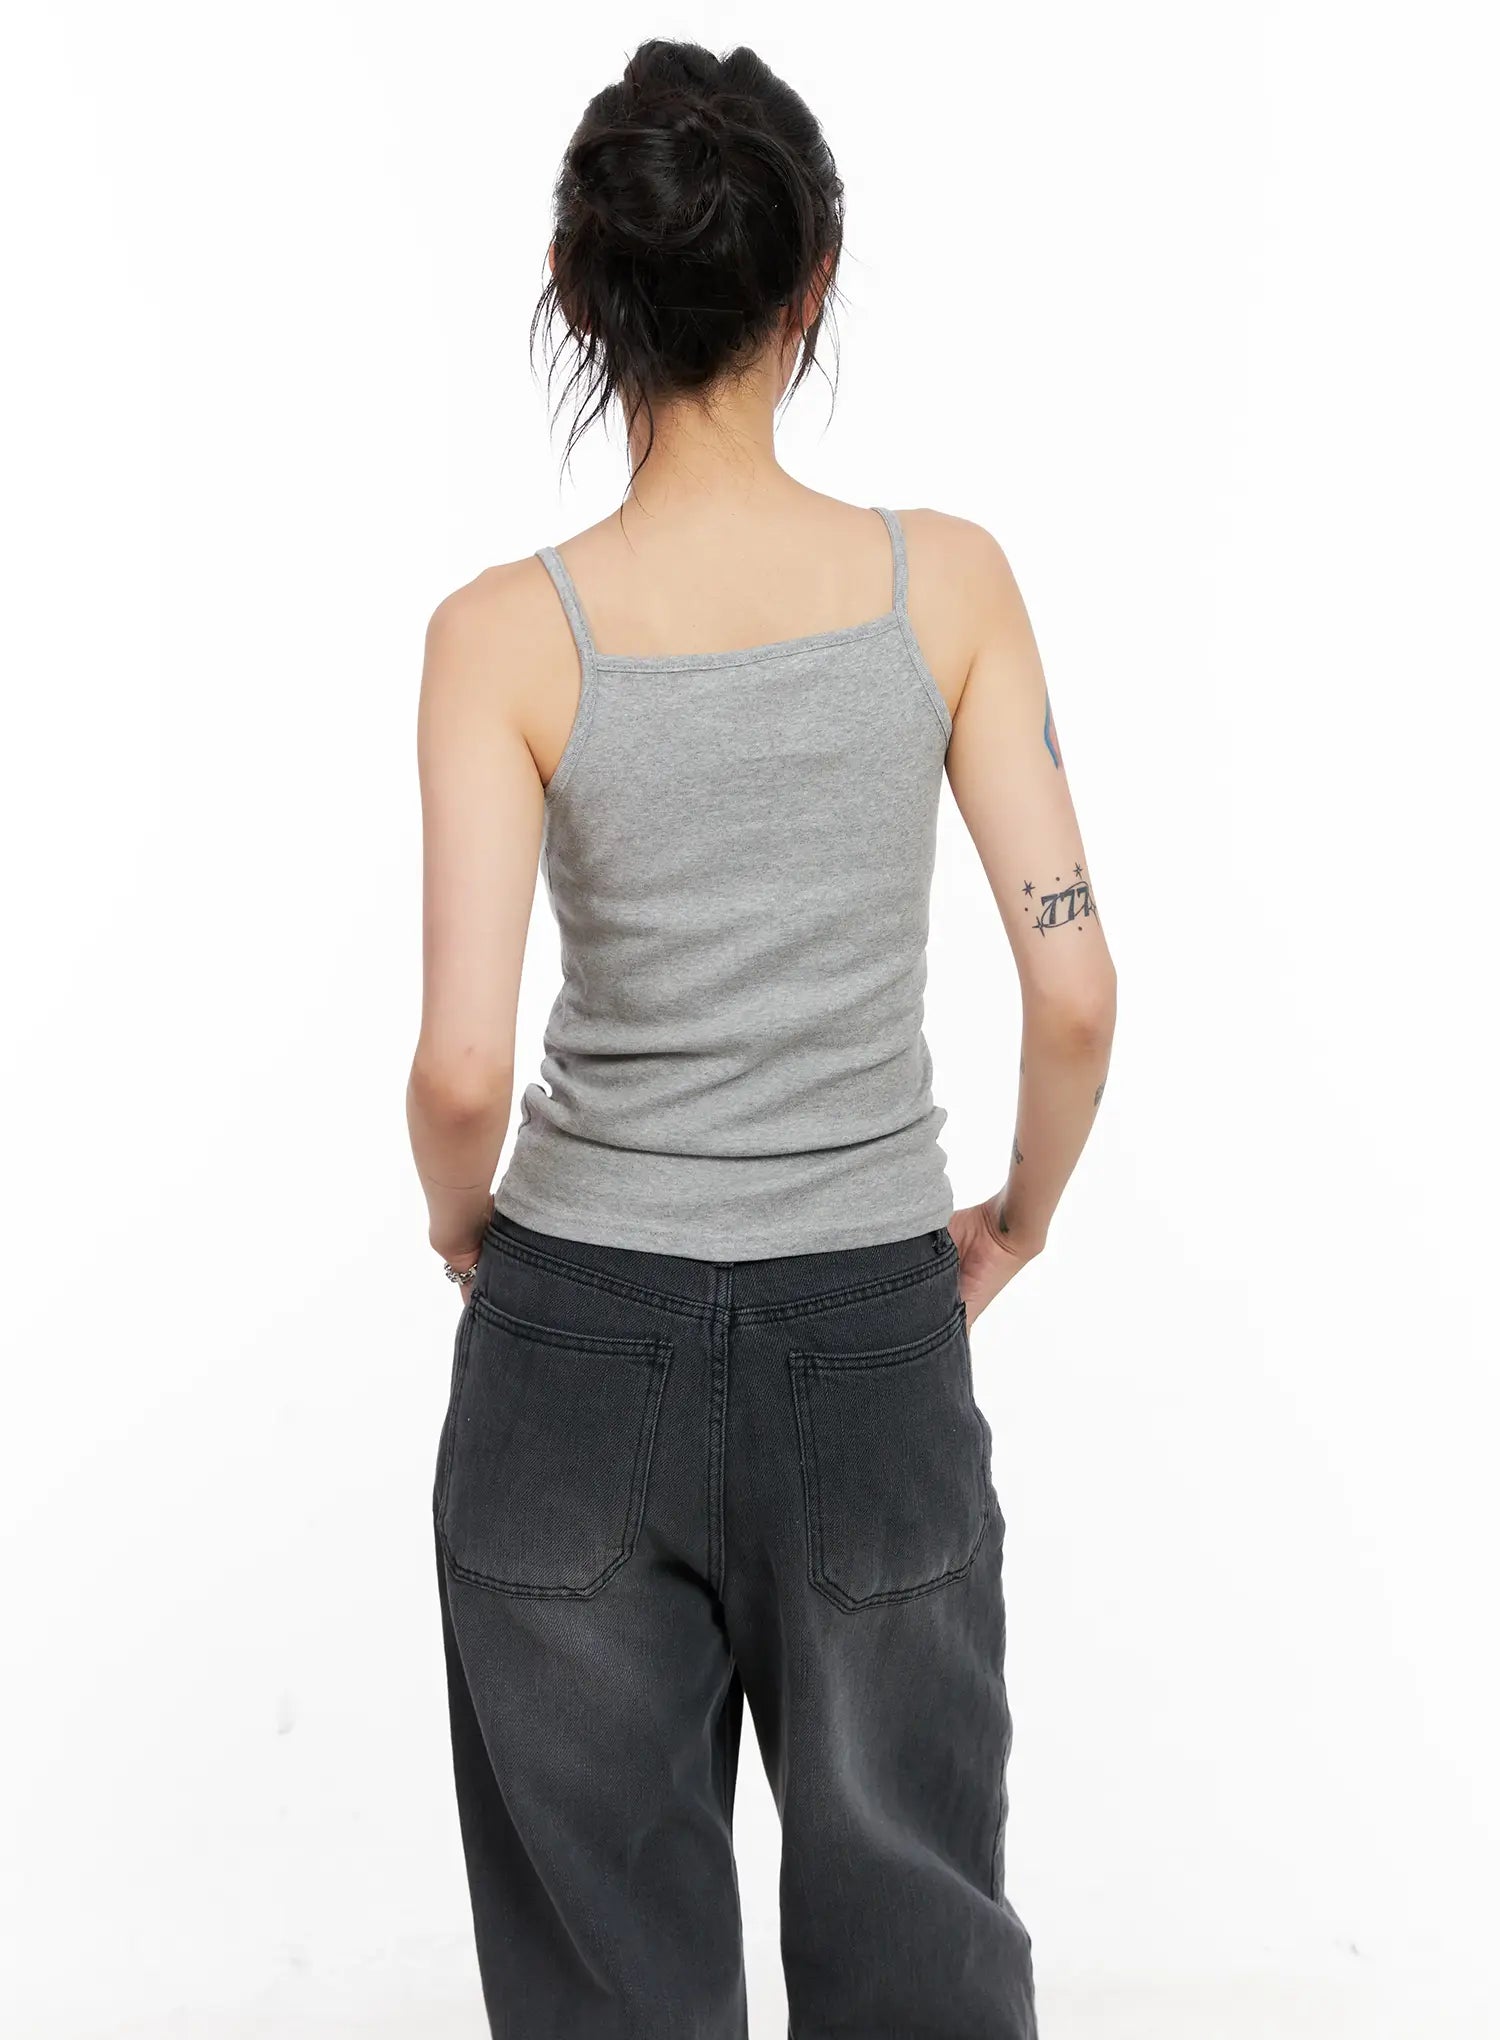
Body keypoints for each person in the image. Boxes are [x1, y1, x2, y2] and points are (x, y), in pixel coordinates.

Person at [406, 37, 1116, 2040]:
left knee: (606, 1984)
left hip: (570, 1339)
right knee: (917, 1956)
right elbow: (1075, 985)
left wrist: (467, 1228)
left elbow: (462, 1071)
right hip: (870, 1330)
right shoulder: (943, 586)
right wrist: (1020, 1221)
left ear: (577, 289)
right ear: (814, 282)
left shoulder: (501, 634)